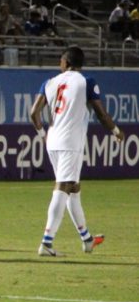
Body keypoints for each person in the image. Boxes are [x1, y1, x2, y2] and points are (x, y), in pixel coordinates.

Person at [30, 46, 124, 257]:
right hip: (70, 142)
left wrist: (42, 134)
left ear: (67, 62)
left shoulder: (50, 82)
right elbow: (101, 113)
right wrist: (116, 131)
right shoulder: (86, 82)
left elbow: (34, 112)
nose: (59, 64)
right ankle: (46, 242)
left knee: (73, 188)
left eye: (61, 61)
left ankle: (87, 239)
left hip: (53, 140)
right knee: (63, 187)